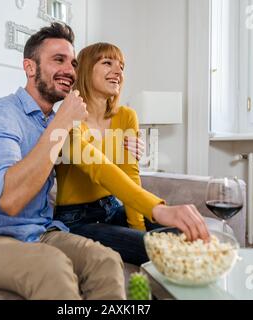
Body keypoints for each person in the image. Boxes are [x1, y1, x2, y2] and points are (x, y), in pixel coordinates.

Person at [0, 23, 127, 300]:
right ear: (29, 67)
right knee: (51, 266)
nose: (70, 71)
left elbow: (97, 167)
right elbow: (9, 199)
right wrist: (61, 123)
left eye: (72, 63)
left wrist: (125, 147)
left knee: (106, 261)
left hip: (39, 233)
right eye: (58, 60)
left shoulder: (57, 123)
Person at [54, 42, 210, 266]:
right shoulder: (68, 116)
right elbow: (98, 167)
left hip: (113, 207)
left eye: (121, 67)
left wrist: (138, 226)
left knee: (186, 236)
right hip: (77, 220)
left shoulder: (126, 116)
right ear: (86, 69)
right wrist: (157, 210)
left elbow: (130, 176)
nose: (118, 72)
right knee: (163, 250)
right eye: (107, 63)